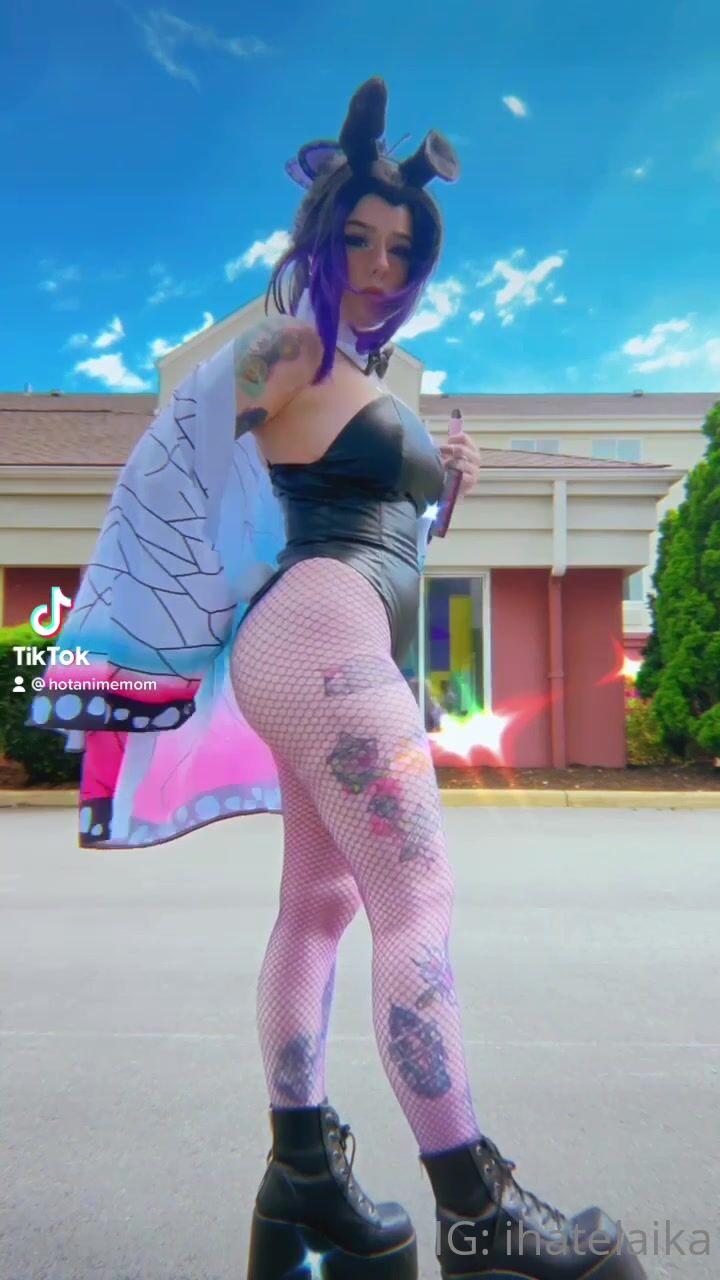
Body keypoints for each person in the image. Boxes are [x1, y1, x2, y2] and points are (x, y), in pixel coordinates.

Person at [29, 77, 645, 1280]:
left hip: (318, 637)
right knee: (417, 902)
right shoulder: (293, 344)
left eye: (401, 248)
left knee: (319, 907)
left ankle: (302, 1175)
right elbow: (195, 468)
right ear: (318, 232)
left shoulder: (352, 369)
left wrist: (442, 490)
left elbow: (367, 528)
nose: (378, 263)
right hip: (321, 641)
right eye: (357, 236)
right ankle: (477, 1207)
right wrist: (143, 625)